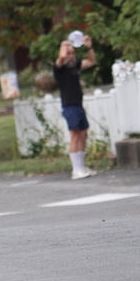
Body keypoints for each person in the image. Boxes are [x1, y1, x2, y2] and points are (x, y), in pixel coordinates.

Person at [53, 33, 97, 180]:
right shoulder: (59, 69)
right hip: (69, 106)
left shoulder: (74, 66)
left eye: (73, 53)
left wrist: (89, 47)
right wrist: (64, 47)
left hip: (78, 105)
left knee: (83, 134)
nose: (71, 56)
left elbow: (91, 61)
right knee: (75, 135)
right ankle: (76, 169)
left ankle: (82, 166)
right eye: (69, 53)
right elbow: (61, 59)